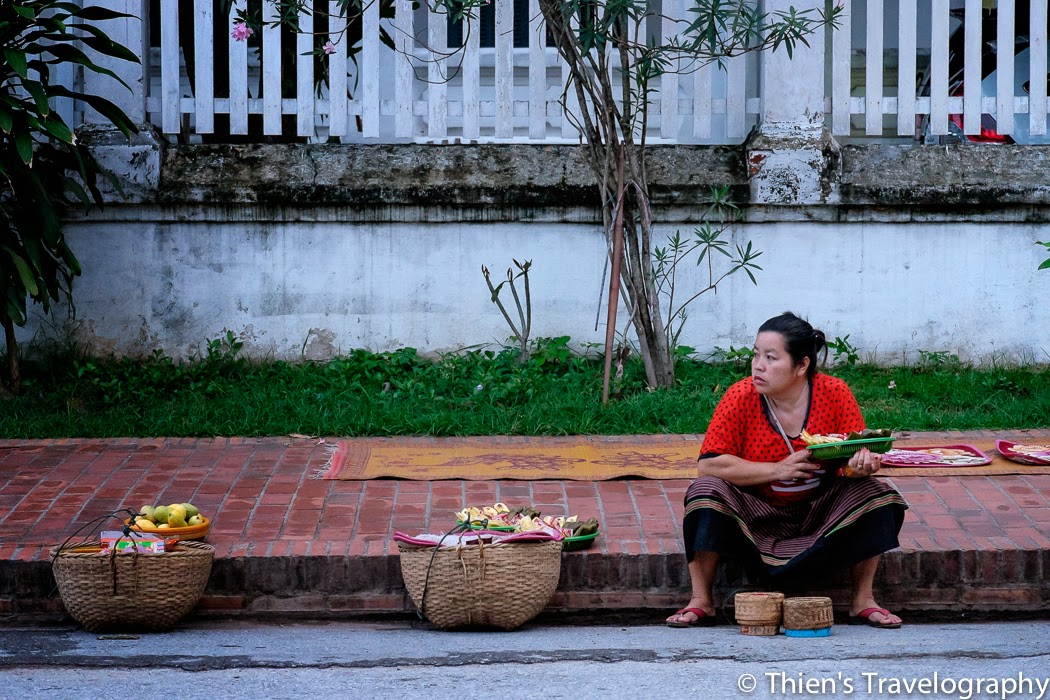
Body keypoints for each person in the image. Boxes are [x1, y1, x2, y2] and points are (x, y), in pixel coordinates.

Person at [666, 312, 908, 630]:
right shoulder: (740, 396)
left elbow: (852, 457)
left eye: (770, 358)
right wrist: (776, 470)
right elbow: (708, 465)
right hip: (755, 515)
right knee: (704, 492)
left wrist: (860, 466)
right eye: (756, 355)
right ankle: (701, 600)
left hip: (819, 514)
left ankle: (863, 599)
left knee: (876, 494)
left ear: (802, 365)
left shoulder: (835, 393)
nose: (758, 366)